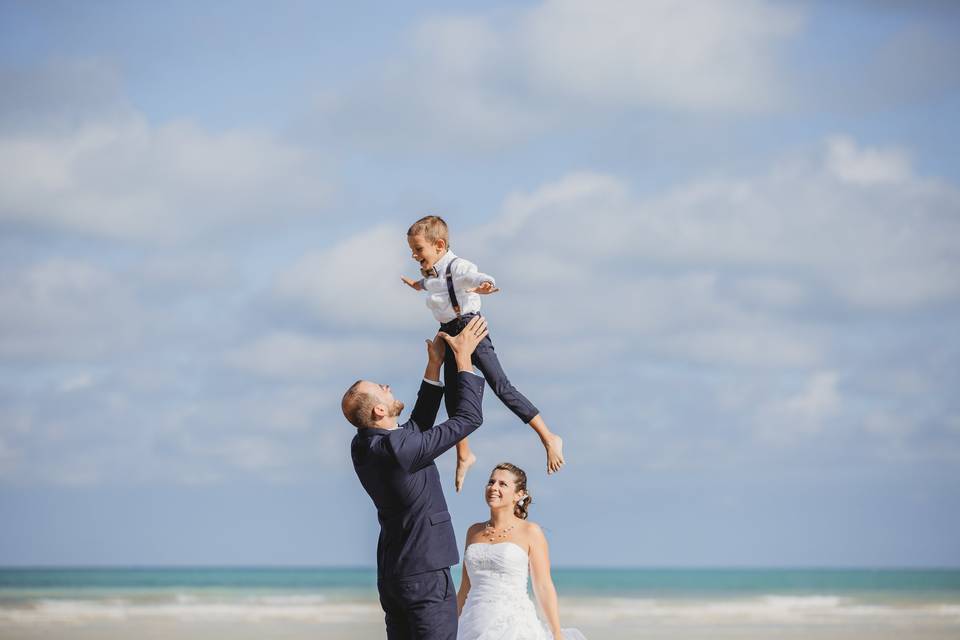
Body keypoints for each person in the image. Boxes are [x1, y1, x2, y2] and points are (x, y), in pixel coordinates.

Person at [343, 315, 489, 640]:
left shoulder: (364, 444)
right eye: (380, 389)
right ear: (379, 412)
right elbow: (468, 417)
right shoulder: (399, 449)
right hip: (424, 572)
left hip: (395, 575)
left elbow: (415, 427)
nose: (387, 387)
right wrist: (463, 359)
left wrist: (434, 366)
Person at [401, 215, 565, 492]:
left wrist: (485, 284)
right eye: (413, 250)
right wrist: (416, 284)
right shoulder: (434, 274)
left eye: (419, 249)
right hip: (449, 331)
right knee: (454, 397)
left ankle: (549, 437)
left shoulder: (457, 266)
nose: (414, 255)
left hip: (470, 327)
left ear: (439, 245)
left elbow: (472, 277)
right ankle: (464, 454)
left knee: (501, 386)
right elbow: (430, 285)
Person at [456, 463, 586, 640]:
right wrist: (450, 625)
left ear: (519, 495)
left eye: (503, 484)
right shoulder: (473, 531)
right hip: (471, 625)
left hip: (513, 626)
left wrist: (556, 633)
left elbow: (543, 586)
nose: (493, 487)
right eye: (491, 482)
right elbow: (465, 587)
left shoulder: (530, 531)